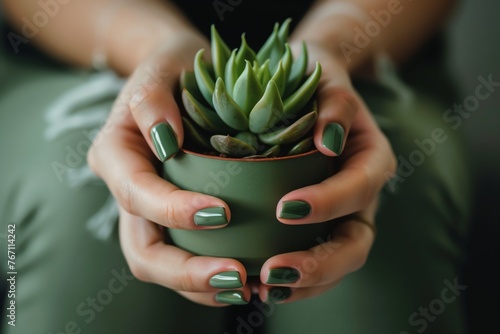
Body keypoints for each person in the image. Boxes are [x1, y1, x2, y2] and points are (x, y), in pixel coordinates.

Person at [0, 0, 471, 333]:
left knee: (397, 208)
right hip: (74, 57)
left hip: (372, 59)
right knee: (80, 213)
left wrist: (335, 44)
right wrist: (154, 46)